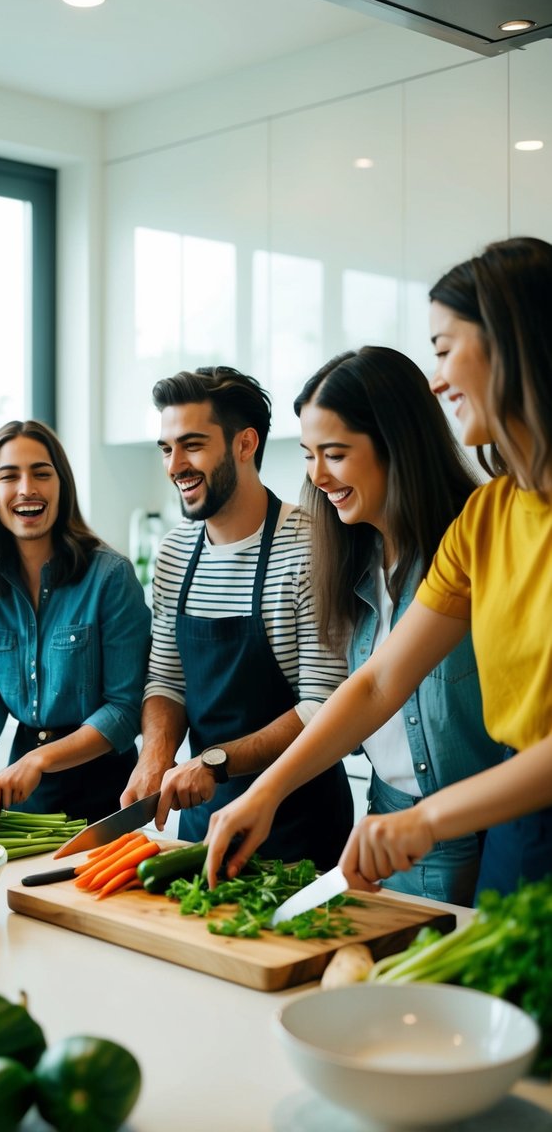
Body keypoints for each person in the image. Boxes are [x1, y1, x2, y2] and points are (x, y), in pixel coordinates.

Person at [204, 237, 552, 900]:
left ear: (512, 341)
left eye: (445, 349)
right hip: (515, 831)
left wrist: (426, 819)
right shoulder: (488, 518)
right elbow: (377, 681)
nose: (437, 379)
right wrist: (268, 791)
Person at [121, 366, 353, 869]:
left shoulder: (312, 544)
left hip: (298, 823)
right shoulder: (174, 553)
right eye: (166, 448)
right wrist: (156, 752)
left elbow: (324, 705)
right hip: (203, 814)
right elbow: (166, 679)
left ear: (245, 445)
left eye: (192, 445)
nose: (175, 465)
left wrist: (213, 762)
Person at [293, 346, 503, 904]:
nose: (317, 476)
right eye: (308, 455)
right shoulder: (350, 566)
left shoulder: (477, 546)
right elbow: (366, 692)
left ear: (396, 445)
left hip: (483, 844)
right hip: (379, 838)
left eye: (334, 453)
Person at [0, 419, 151, 824]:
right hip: (23, 786)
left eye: (41, 473)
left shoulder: (110, 576)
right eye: (9, 476)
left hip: (104, 786)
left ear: (62, 486)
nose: (27, 488)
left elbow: (124, 709)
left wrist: (40, 760)